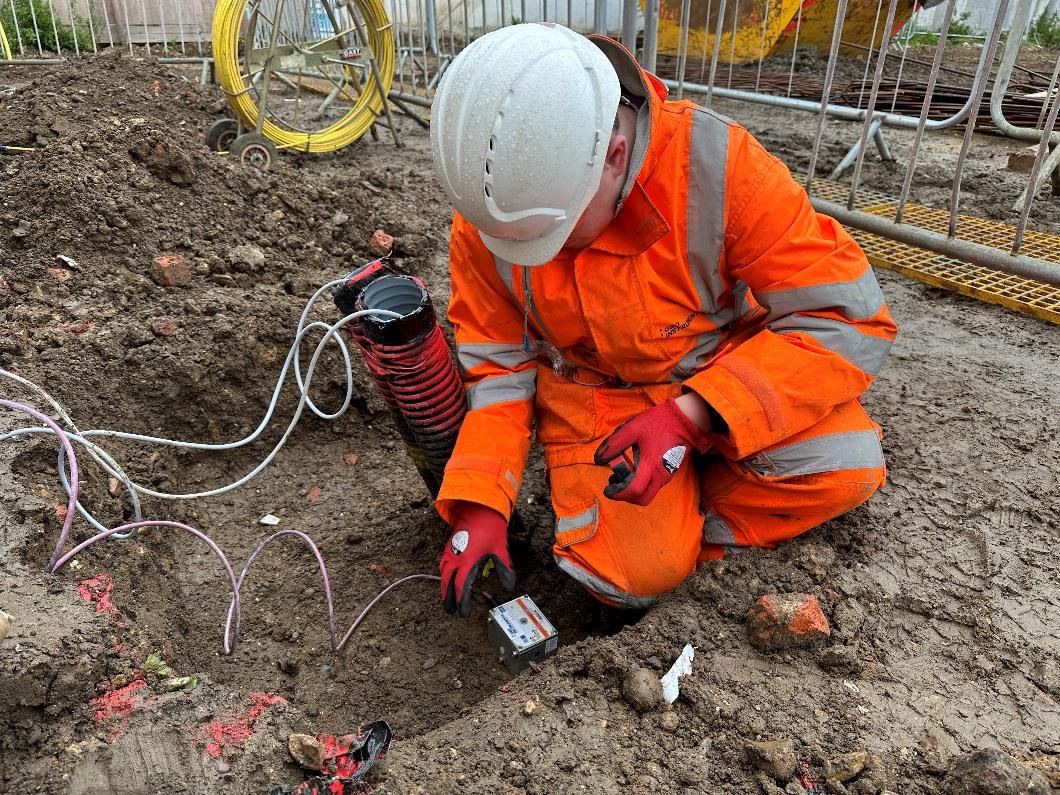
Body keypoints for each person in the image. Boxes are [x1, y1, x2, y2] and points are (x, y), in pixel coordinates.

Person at [429, 23, 898, 616]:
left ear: (614, 156)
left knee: (844, 466)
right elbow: (497, 369)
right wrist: (480, 501)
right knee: (631, 576)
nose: (539, 258)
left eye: (554, 236)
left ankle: (693, 511)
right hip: (596, 397)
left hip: (720, 370)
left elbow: (848, 317)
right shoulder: (499, 201)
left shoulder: (716, 165)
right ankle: (664, 528)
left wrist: (695, 414)